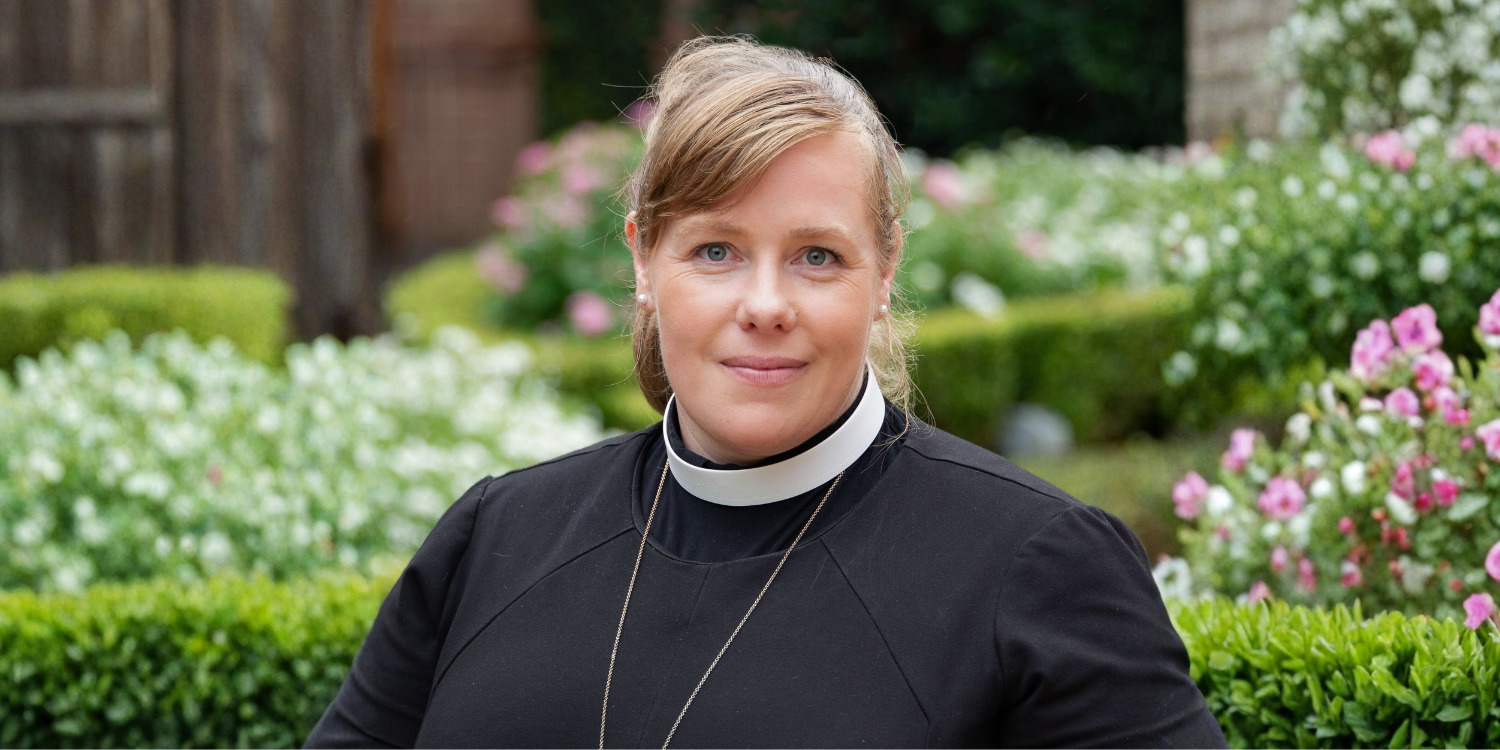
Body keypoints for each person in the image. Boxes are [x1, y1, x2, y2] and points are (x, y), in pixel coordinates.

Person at [305, 36, 1226, 749]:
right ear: (642, 259)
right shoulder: (494, 538)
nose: (765, 305)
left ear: (884, 271)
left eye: (816, 256)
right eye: (716, 251)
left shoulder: (1038, 568)